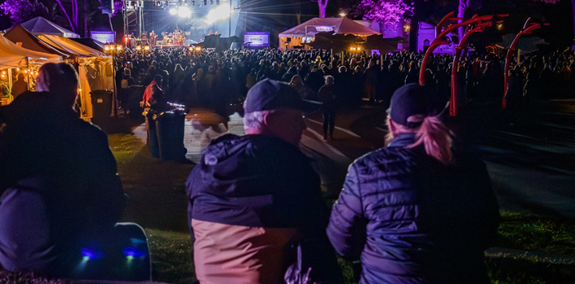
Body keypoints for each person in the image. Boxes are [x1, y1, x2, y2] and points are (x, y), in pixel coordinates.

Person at [327, 83, 499, 283]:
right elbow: (486, 231)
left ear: (391, 125)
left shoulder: (366, 170)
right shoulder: (470, 166)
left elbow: (341, 241)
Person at [0, 62, 132, 279]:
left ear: (39, 92)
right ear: (74, 94)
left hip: (12, 252)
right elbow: (113, 199)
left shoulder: (12, 137)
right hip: (71, 250)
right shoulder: (90, 137)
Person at [186, 79, 343, 284]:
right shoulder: (291, 168)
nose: (303, 126)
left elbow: (195, 234)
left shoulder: (203, 169)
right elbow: (319, 238)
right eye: (297, 118)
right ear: (268, 119)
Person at [318, 75, 339, 141]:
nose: (329, 82)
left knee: (331, 121)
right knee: (326, 121)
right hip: (326, 106)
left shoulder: (333, 88)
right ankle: (325, 134)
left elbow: (338, 97)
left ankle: (330, 134)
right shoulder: (323, 89)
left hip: (332, 106)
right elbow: (320, 97)